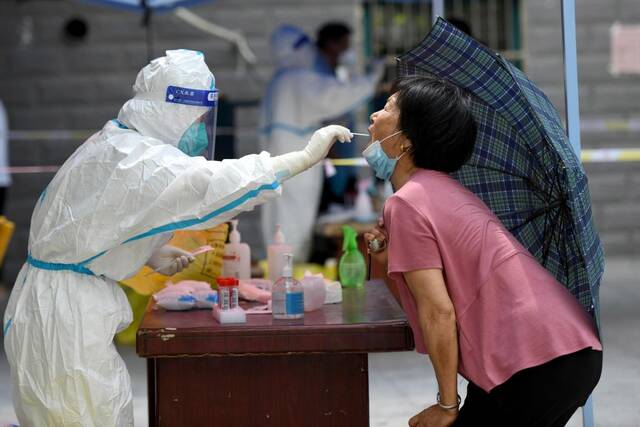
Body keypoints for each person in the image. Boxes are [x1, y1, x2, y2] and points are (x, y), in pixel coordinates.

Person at [2, 49, 353, 426]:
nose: (201, 130)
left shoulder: (119, 143)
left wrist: (147, 250)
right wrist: (301, 158)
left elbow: (93, 225)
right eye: (198, 119)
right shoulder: (136, 157)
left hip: (56, 307)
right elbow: (210, 185)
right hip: (63, 319)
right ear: (176, 110)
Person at [363, 76, 602, 427]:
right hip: (560, 355)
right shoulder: (431, 192)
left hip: (535, 362)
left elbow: (438, 313)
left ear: (404, 141)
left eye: (386, 109)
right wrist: (384, 258)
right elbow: (419, 303)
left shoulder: (408, 203)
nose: (373, 117)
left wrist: (446, 406)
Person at [260, 25, 383, 261]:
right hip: (297, 162)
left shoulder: (279, 80)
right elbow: (337, 95)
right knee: (294, 220)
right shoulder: (296, 79)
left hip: (278, 161)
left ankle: (277, 270)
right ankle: (288, 272)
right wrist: (371, 78)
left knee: (279, 219)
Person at [315, 22, 360, 212]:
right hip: (330, 152)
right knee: (330, 203)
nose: (348, 50)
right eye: (344, 44)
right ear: (331, 44)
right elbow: (320, 114)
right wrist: (329, 149)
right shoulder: (318, 73)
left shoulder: (336, 72)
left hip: (342, 152)